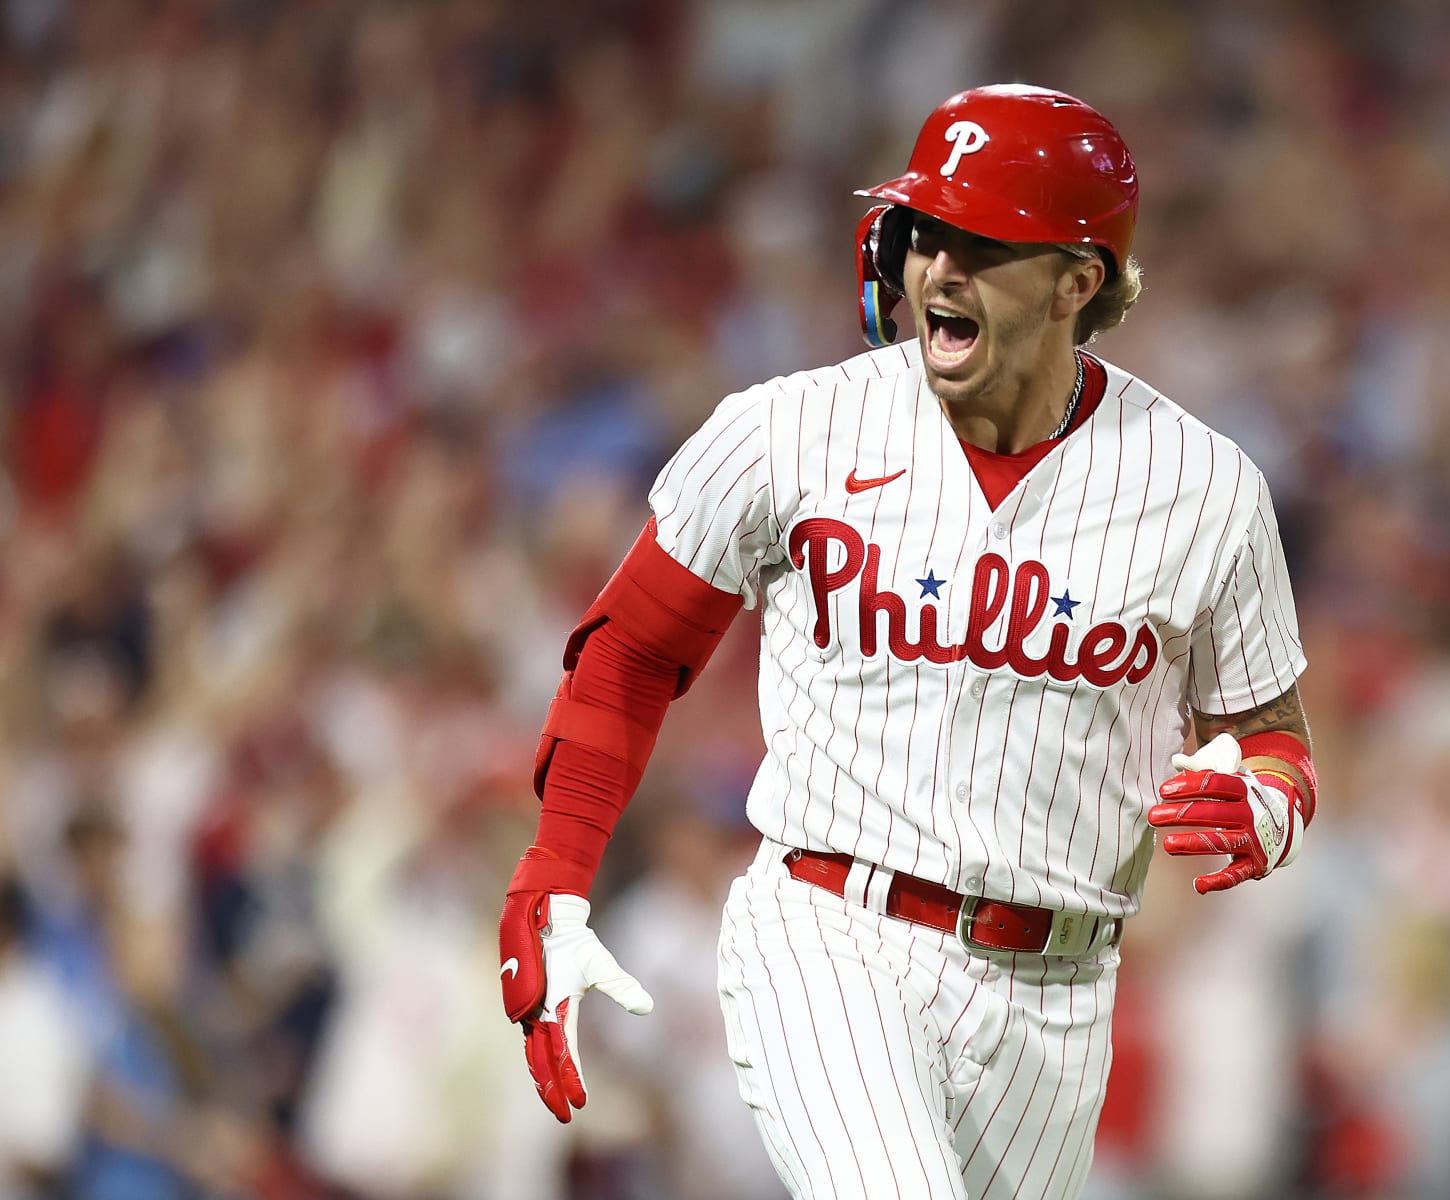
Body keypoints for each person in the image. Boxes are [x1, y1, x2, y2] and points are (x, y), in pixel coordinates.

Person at [497, 83, 1318, 1198]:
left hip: (1060, 995)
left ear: (1081, 280)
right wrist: (555, 870)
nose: (940, 266)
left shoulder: (1205, 489)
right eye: (927, 230)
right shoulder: (789, 430)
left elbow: (1270, 740)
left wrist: (1266, 807)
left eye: (985, 241)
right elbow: (630, 651)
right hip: (832, 932)